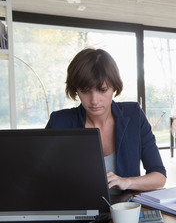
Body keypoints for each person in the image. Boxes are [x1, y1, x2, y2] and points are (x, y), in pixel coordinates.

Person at [46, 48, 166, 192]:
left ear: (114, 87)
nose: (94, 101)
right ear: (75, 90)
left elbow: (159, 177)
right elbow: (40, 177)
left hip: (125, 211)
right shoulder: (59, 122)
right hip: (79, 210)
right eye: (85, 91)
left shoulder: (134, 115)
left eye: (103, 90)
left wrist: (126, 182)